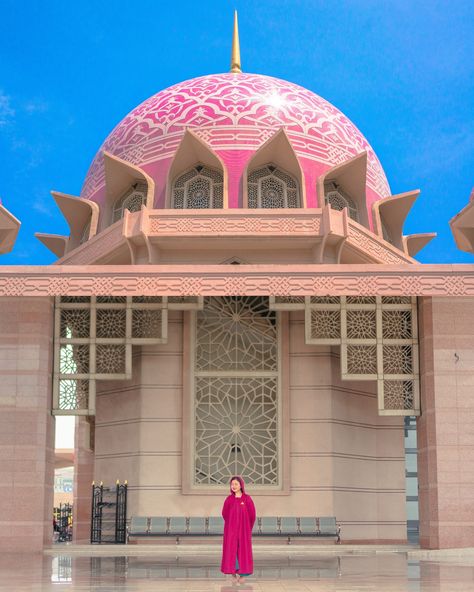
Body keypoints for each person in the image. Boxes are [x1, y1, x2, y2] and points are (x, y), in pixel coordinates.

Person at [221, 476, 256, 584]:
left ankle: (243, 574)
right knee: (232, 550)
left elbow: (252, 515)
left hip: (244, 531)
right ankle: (232, 573)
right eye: (232, 484)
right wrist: (231, 525)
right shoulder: (229, 499)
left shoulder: (247, 499)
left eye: (236, 484)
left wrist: (247, 528)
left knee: (243, 551)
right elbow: (224, 514)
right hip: (231, 531)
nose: (234, 486)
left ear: (241, 485)